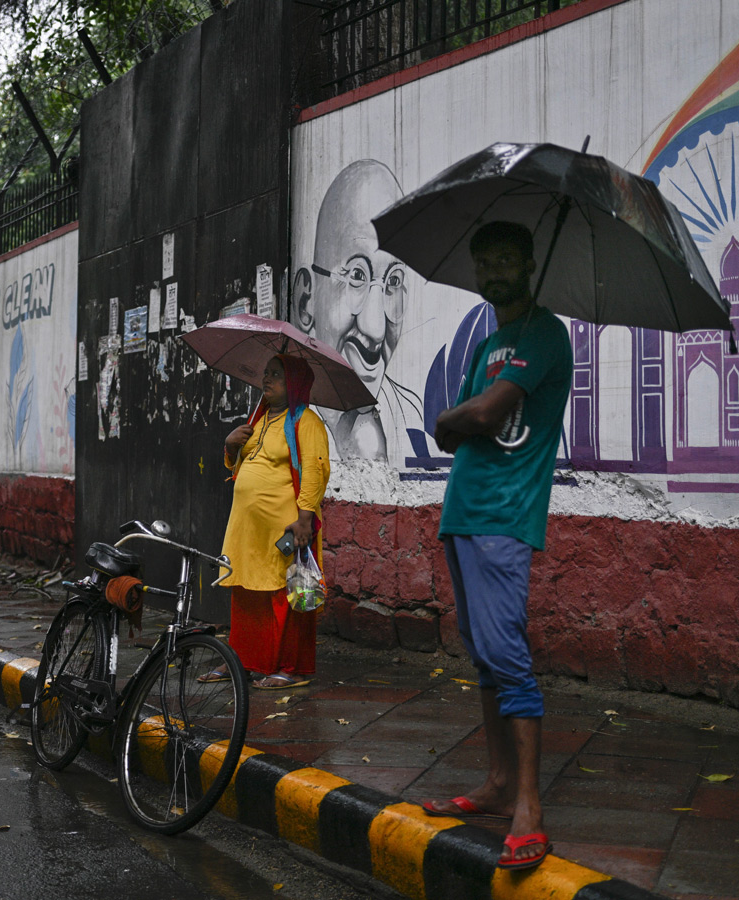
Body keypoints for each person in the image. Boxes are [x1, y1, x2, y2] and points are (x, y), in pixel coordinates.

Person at [422, 221, 571, 871]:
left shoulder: (544, 334)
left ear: (530, 264)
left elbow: (475, 417)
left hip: (505, 516)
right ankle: (498, 783)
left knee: (508, 654)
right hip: (464, 511)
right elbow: (447, 434)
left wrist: (463, 416)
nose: (493, 272)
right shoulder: (491, 342)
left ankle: (529, 807)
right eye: (485, 262)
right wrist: (460, 417)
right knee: (483, 655)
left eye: (506, 259)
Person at [206, 354, 331, 690]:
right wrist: (230, 447)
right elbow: (238, 468)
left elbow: (316, 469)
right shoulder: (258, 421)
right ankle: (242, 661)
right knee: (246, 591)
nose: (267, 379)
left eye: (277, 374)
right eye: (266, 372)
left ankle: (290, 668)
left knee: (288, 593)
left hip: (286, 528)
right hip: (248, 530)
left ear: (295, 383)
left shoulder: (307, 422)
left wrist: (305, 518)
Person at [294, 159, 422, 462]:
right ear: (306, 300)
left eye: (393, 281)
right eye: (356, 276)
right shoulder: (287, 425)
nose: (375, 328)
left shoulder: (412, 420)